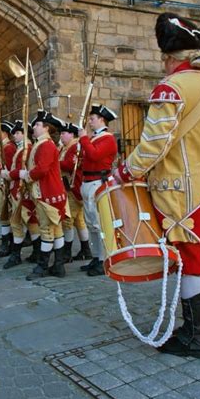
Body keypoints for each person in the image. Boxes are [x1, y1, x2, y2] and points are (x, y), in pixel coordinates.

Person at [114, 13, 200, 358]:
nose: (163, 65)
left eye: (165, 58)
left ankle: (195, 339)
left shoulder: (172, 89)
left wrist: (126, 171)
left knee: (191, 261)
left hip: (182, 192)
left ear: (172, 57)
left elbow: (154, 143)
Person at [20, 110, 68, 280]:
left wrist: (26, 175)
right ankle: (59, 266)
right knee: (56, 230)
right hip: (50, 193)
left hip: (47, 194)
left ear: (46, 128)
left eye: (37, 124)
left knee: (47, 230)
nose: (34, 127)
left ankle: (42, 267)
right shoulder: (41, 144)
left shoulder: (46, 145)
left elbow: (42, 169)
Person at [78, 104, 118, 277]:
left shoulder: (108, 139)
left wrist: (83, 139)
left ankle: (104, 258)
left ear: (102, 120)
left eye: (92, 119)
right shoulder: (95, 138)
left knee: (99, 223)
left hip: (98, 182)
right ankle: (96, 256)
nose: (90, 122)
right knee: (91, 224)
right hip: (88, 181)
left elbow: (94, 155)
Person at [0, 120, 40, 269]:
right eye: (15, 133)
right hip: (17, 188)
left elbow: (23, 169)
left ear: (24, 134)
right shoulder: (22, 147)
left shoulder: (27, 148)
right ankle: (33, 252)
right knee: (27, 222)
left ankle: (18, 255)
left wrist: (9, 174)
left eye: (17, 133)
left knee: (22, 222)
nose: (15, 136)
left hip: (22, 190)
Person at [58, 122, 92, 263]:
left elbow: (70, 165)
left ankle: (67, 252)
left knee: (67, 221)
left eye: (64, 133)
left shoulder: (74, 147)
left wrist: (55, 161)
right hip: (69, 186)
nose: (61, 136)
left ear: (71, 134)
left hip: (73, 187)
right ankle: (86, 250)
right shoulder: (66, 147)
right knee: (79, 221)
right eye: (61, 133)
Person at [0, 120, 17, 259]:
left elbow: (7, 167)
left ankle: (7, 245)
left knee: (6, 216)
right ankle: (7, 244)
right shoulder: (2, 147)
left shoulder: (8, 148)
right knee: (3, 215)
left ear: (4, 133)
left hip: (5, 184)